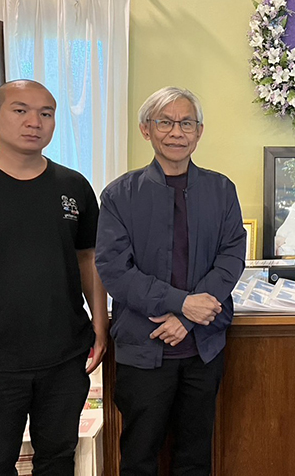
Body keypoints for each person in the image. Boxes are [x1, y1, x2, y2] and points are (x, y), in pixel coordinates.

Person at [0, 79, 107, 473]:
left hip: (64, 359)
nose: (34, 122)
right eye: (20, 110)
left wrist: (101, 326)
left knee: (58, 460)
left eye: (46, 113)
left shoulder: (73, 186)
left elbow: (88, 259)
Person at [95, 86, 246, 475]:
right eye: (165, 122)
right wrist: (180, 303)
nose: (176, 132)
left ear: (199, 131)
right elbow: (113, 268)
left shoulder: (221, 190)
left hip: (203, 348)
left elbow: (231, 258)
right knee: (139, 457)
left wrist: (190, 316)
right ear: (147, 130)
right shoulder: (119, 195)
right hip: (143, 350)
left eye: (186, 123)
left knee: (195, 457)